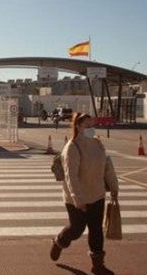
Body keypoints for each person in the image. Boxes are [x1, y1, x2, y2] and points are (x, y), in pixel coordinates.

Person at [50, 112, 119, 275]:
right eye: (87, 126)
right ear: (78, 126)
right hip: (77, 198)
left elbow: (106, 166)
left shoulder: (97, 143)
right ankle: (59, 241)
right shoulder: (72, 147)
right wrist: (77, 199)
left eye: (92, 125)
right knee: (76, 229)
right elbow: (70, 176)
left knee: (96, 230)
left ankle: (98, 265)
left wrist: (114, 188)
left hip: (97, 194)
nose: (91, 129)